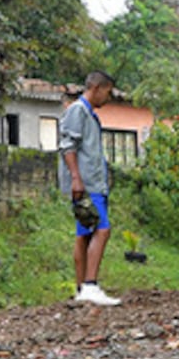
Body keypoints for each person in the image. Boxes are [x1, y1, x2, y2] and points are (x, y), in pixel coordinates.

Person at [59, 71, 121, 306]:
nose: (109, 97)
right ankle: (91, 285)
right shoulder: (78, 111)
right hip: (87, 184)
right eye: (107, 91)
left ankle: (81, 289)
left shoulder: (88, 114)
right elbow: (68, 146)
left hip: (92, 182)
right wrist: (76, 178)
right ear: (96, 88)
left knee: (84, 234)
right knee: (102, 229)